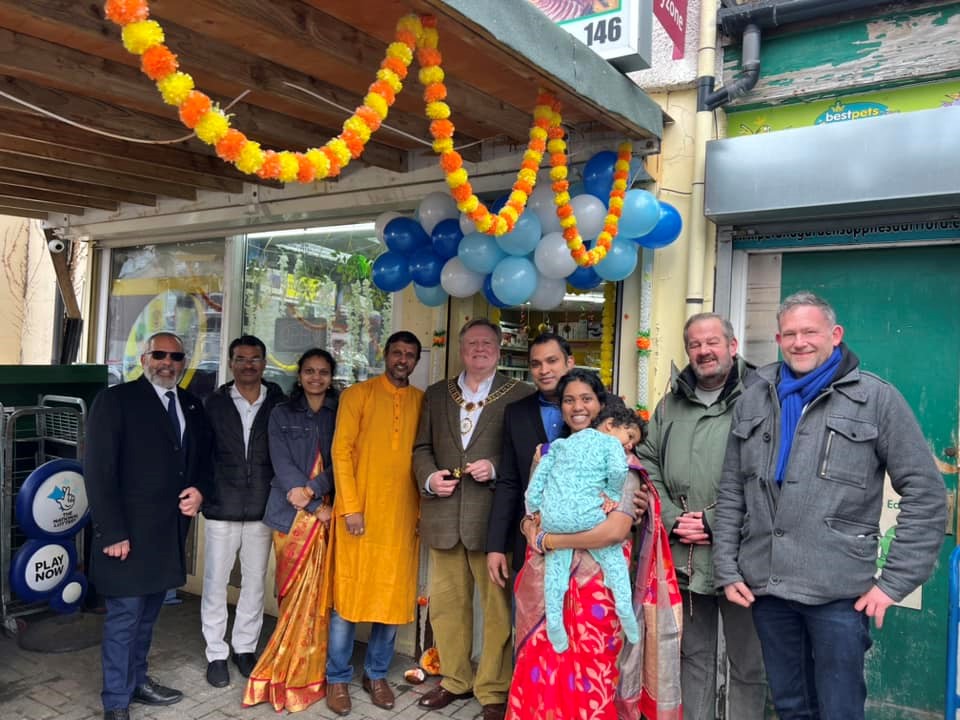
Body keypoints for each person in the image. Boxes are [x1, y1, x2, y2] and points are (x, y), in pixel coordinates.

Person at [713, 291, 947, 720]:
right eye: (790, 334)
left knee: (840, 711)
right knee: (790, 707)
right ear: (778, 339)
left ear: (835, 335)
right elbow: (732, 491)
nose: (800, 342)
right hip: (768, 586)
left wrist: (895, 581)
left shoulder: (876, 399)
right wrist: (727, 568)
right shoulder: (754, 398)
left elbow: (926, 493)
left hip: (840, 592)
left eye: (810, 332)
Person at [637, 313, 765, 720]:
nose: (704, 351)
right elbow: (647, 461)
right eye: (695, 344)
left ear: (732, 344)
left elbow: (771, 473)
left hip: (743, 556)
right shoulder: (671, 401)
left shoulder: (763, 395)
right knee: (692, 656)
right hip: (683, 557)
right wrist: (673, 518)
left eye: (713, 342)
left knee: (748, 664)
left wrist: (717, 523)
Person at [506, 370, 652, 720]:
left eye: (586, 398)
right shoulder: (547, 453)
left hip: (595, 589)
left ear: (601, 405)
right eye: (569, 400)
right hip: (547, 583)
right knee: (541, 663)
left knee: (593, 668)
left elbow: (615, 532)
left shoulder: (623, 461)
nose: (578, 407)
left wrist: (550, 540)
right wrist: (529, 528)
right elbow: (533, 508)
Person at [84, 331, 212, 720]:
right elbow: (99, 471)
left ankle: (138, 681)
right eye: (159, 354)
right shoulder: (116, 401)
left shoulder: (190, 404)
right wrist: (113, 532)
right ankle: (116, 702)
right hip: (127, 536)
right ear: (143, 359)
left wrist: (200, 491)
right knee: (124, 618)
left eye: (176, 356)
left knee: (149, 616)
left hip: (167, 535)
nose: (168, 362)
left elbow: (202, 460)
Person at [412, 318, 532, 720]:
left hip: (492, 521)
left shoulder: (521, 395)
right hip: (443, 517)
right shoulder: (436, 394)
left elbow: (529, 456)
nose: (479, 348)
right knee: (447, 606)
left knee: (497, 609)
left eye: (486, 342)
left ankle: (494, 687)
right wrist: (429, 477)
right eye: (472, 343)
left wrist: (495, 468)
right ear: (461, 350)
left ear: (499, 349)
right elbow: (422, 447)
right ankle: (455, 679)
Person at [324, 331, 425, 716]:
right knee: (347, 600)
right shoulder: (358, 395)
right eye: (397, 352)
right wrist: (350, 508)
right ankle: (337, 678)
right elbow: (341, 452)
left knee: (391, 597)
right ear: (385, 355)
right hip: (359, 516)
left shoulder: (421, 402)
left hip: (401, 517)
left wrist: (420, 515)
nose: (403, 359)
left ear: (416, 361)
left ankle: (377, 674)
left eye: (410, 355)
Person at [242, 348, 339, 713]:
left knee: (319, 597)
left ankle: (312, 670)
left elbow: (343, 459)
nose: (316, 378)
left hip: (327, 512)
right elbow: (279, 462)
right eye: (310, 371)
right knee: (292, 593)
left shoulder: (339, 413)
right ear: (299, 376)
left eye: (323, 372)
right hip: (292, 514)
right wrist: (314, 505)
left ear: (331, 376)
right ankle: (285, 663)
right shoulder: (281, 412)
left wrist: (314, 490)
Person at [200, 335, 286, 688]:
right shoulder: (214, 403)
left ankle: (244, 648)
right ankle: (216, 653)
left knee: (254, 584)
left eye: (255, 359)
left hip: (262, 508)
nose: (248, 364)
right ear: (231, 363)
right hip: (222, 504)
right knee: (216, 582)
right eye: (241, 358)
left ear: (265, 364)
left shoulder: (279, 403)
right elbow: (201, 454)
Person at [524, 403, 642, 653]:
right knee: (613, 560)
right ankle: (625, 608)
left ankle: (554, 623)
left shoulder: (560, 445)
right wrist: (610, 493)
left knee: (555, 573)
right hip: (588, 515)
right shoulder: (611, 444)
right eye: (630, 436)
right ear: (610, 426)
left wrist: (533, 510)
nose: (630, 445)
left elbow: (537, 481)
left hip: (553, 518)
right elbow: (618, 470)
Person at [486, 333, 575, 586]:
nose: (544, 370)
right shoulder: (516, 413)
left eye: (552, 361)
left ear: (569, 363)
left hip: (585, 547)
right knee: (528, 624)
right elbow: (509, 482)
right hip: (531, 545)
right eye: (536, 364)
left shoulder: (596, 408)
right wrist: (495, 546)